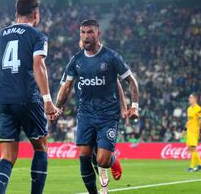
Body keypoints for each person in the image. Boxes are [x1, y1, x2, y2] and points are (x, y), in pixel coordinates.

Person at [0, 0, 60, 194]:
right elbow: (39, 65)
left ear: (16, 14)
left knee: (7, 157)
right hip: (27, 98)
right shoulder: (37, 36)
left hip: (2, 101)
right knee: (40, 147)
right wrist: (47, 100)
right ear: (36, 14)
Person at [55, 19, 139, 194]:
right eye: (83, 32)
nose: (86, 36)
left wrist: (133, 106)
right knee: (84, 157)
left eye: (90, 32)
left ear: (98, 33)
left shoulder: (111, 57)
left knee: (101, 160)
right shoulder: (76, 60)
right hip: (85, 115)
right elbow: (66, 86)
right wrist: (57, 108)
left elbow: (129, 82)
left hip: (107, 116)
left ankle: (113, 159)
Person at [186, 93, 201, 172]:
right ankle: (200, 164)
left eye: (190, 98)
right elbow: (189, 120)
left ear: (195, 99)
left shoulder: (198, 109)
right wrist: (184, 129)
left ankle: (191, 167)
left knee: (193, 148)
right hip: (189, 131)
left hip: (195, 131)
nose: (189, 99)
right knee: (190, 148)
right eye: (189, 98)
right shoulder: (189, 109)